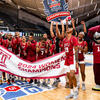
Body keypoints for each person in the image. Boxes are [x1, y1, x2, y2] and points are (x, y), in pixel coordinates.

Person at [56, 21, 79, 99]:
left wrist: (77, 62)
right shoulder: (64, 40)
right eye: (67, 29)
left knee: (72, 76)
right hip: (66, 60)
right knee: (69, 77)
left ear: (71, 31)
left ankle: (76, 92)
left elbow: (76, 51)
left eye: (69, 28)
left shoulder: (74, 39)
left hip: (72, 59)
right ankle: (71, 93)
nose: (67, 29)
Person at [88, 25, 100, 91]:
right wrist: (98, 28)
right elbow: (90, 30)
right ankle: (98, 84)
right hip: (96, 60)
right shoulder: (92, 42)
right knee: (97, 73)